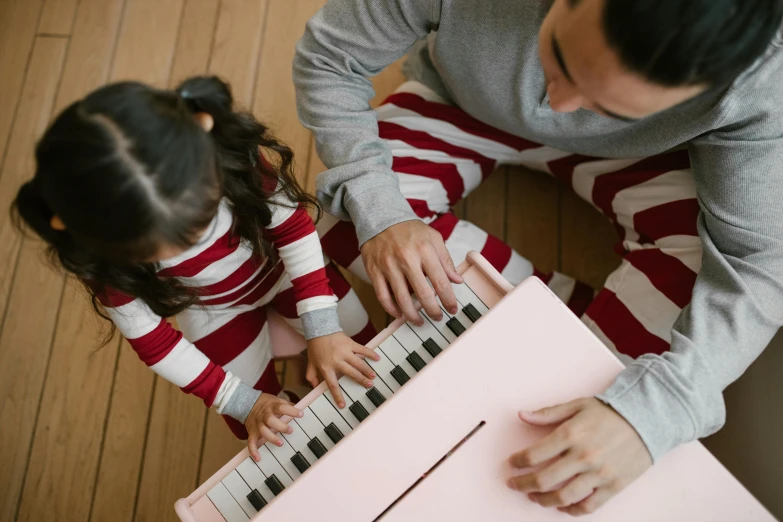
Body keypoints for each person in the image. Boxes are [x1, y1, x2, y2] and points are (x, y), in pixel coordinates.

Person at [294, 0, 783, 515]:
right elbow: (328, 58)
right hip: (463, 105)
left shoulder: (763, 78)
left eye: (610, 104)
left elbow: (757, 264)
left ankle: (546, 321)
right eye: (560, 59)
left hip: (638, 157)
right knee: (344, 220)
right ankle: (569, 317)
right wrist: (386, 214)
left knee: (688, 309)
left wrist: (658, 412)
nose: (558, 104)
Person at [11, 76, 381, 461]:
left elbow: (292, 228)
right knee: (255, 426)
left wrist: (323, 327)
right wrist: (244, 403)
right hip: (213, 309)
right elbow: (154, 342)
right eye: (163, 247)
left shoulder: (233, 157)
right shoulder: (100, 255)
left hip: (285, 270)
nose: (195, 243)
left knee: (362, 351)